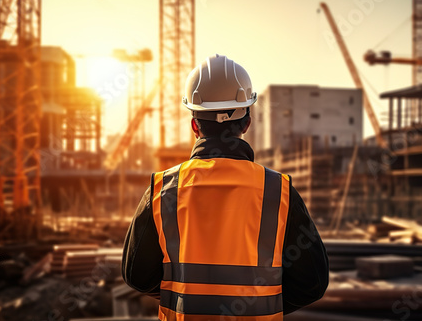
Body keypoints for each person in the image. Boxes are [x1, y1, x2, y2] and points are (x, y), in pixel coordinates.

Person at [122, 54, 328, 320]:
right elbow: (312, 283)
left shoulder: (162, 190)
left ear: (195, 126)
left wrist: (183, 299)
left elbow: (136, 275)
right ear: (246, 124)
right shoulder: (279, 192)